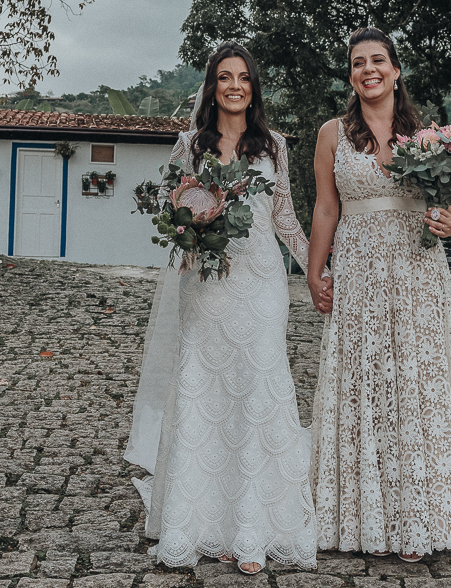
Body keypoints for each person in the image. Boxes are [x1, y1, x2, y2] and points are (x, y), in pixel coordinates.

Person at [305, 27, 451, 560]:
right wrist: (314, 271)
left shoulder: (429, 135)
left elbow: (447, 203)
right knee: (364, 384)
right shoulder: (332, 133)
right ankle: (358, 518)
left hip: (417, 271)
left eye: (378, 61)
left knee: (417, 386)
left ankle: (420, 518)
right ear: (350, 74)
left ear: (396, 70)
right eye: (357, 63)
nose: (368, 70)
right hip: (358, 271)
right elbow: (326, 207)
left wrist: (450, 221)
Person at [125, 42, 325, 574]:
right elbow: (173, 208)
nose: (234, 86)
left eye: (243, 78)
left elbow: (284, 218)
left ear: (253, 87)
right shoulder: (189, 145)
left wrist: (314, 268)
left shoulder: (275, 146)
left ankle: (254, 527)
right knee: (207, 391)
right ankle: (205, 524)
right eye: (224, 77)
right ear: (212, 87)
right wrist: (187, 236)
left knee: (258, 391)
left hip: (261, 284)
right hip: (208, 288)